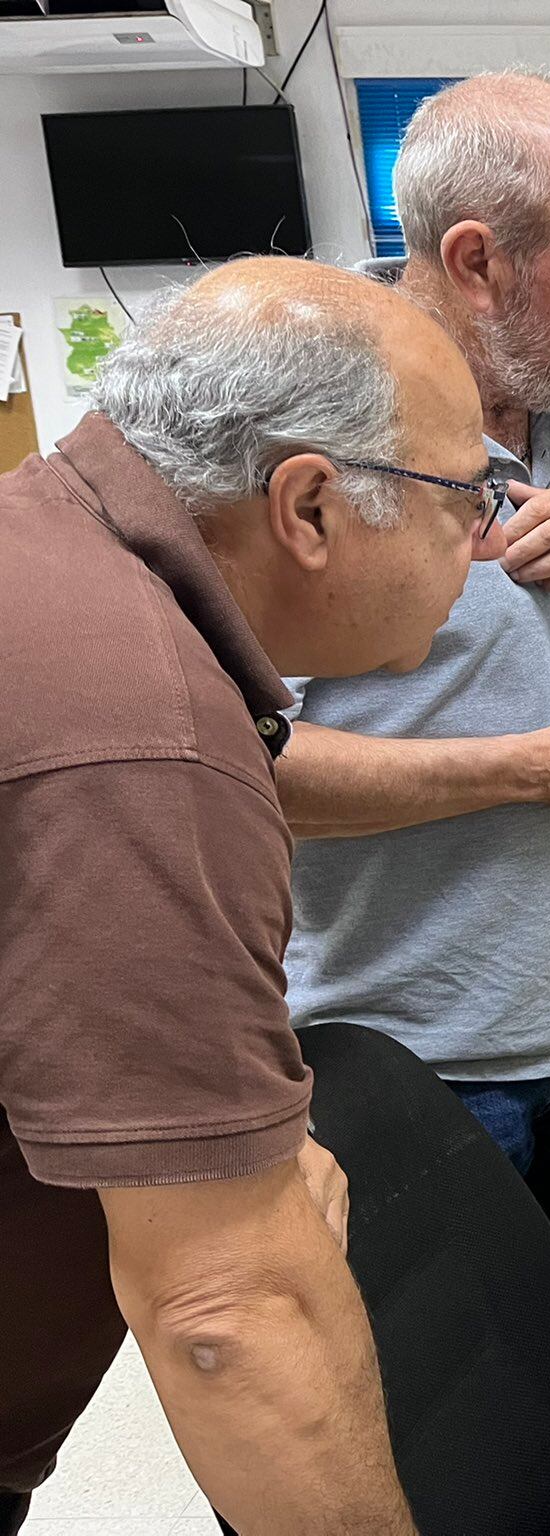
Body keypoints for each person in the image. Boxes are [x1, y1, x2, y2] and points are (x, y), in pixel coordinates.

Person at [0, 255, 504, 1534]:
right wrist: (248, 1216)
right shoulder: (139, 726)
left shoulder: (47, 554)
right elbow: (226, 1310)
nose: (486, 538)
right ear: (311, 507)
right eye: (466, 495)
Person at [276, 70, 550, 1333]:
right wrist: (530, 768)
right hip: (415, 1060)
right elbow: (248, 769)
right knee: (462, 1440)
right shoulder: (311, 431)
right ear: (475, 261)